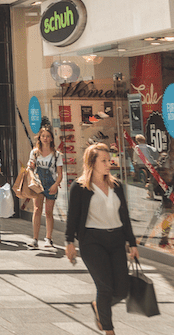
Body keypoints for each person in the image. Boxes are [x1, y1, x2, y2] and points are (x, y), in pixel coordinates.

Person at [66, 143, 139, 335]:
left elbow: (124, 216)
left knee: (121, 290)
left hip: (116, 240)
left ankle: (99, 306)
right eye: (104, 161)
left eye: (109, 160)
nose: (109, 164)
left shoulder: (117, 186)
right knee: (105, 286)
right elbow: (72, 217)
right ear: (92, 163)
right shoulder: (80, 187)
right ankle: (108, 329)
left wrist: (132, 243)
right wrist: (69, 242)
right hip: (92, 241)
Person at [28, 127, 64, 249]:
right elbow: (31, 168)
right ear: (39, 137)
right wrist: (33, 179)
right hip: (38, 184)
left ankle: (48, 238)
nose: (45, 138)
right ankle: (35, 239)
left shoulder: (56, 155)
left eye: (48, 136)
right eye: (43, 136)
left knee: (49, 212)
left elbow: (60, 174)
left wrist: (55, 184)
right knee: (37, 209)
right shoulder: (35, 153)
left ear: (52, 138)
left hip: (51, 184)